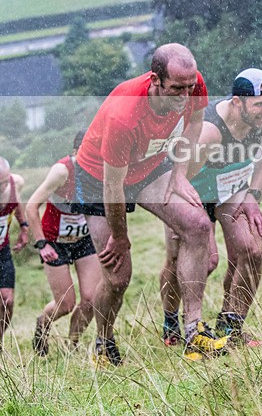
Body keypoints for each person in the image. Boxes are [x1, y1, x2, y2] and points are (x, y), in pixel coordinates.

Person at [71, 43, 227, 365]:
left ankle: (193, 332)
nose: (185, 95)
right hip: (99, 178)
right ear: (155, 80)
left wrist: (180, 173)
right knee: (118, 276)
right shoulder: (125, 114)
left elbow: (195, 124)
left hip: (149, 165)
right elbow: (113, 185)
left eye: (189, 87)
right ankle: (103, 343)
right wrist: (121, 236)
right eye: (176, 89)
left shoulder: (193, 83)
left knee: (197, 225)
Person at [159, 69, 262, 348]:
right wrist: (176, 219)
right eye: (259, 105)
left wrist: (253, 195)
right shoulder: (210, 131)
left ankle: (231, 327)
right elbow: (177, 177)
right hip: (192, 191)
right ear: (237, 102)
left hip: (233, 187)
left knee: (252, 250)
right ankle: (171, 321)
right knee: (200, 260)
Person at [26, 129, 101, 356]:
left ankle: (72, 347)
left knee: (91, 299)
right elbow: (31, 206)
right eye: (88, 155)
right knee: (66, 304)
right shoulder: (62, 171)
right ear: (76, 152)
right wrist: (42, 244)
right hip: (54, 242)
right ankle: (42, 324)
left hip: (83, 239)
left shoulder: (102, 171)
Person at [0, 157, 28, 348]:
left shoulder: (15, 182)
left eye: (3, 182)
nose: (1, 187)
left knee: (7, 301)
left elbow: (17, 202)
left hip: (2, 252)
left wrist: (24, 227)